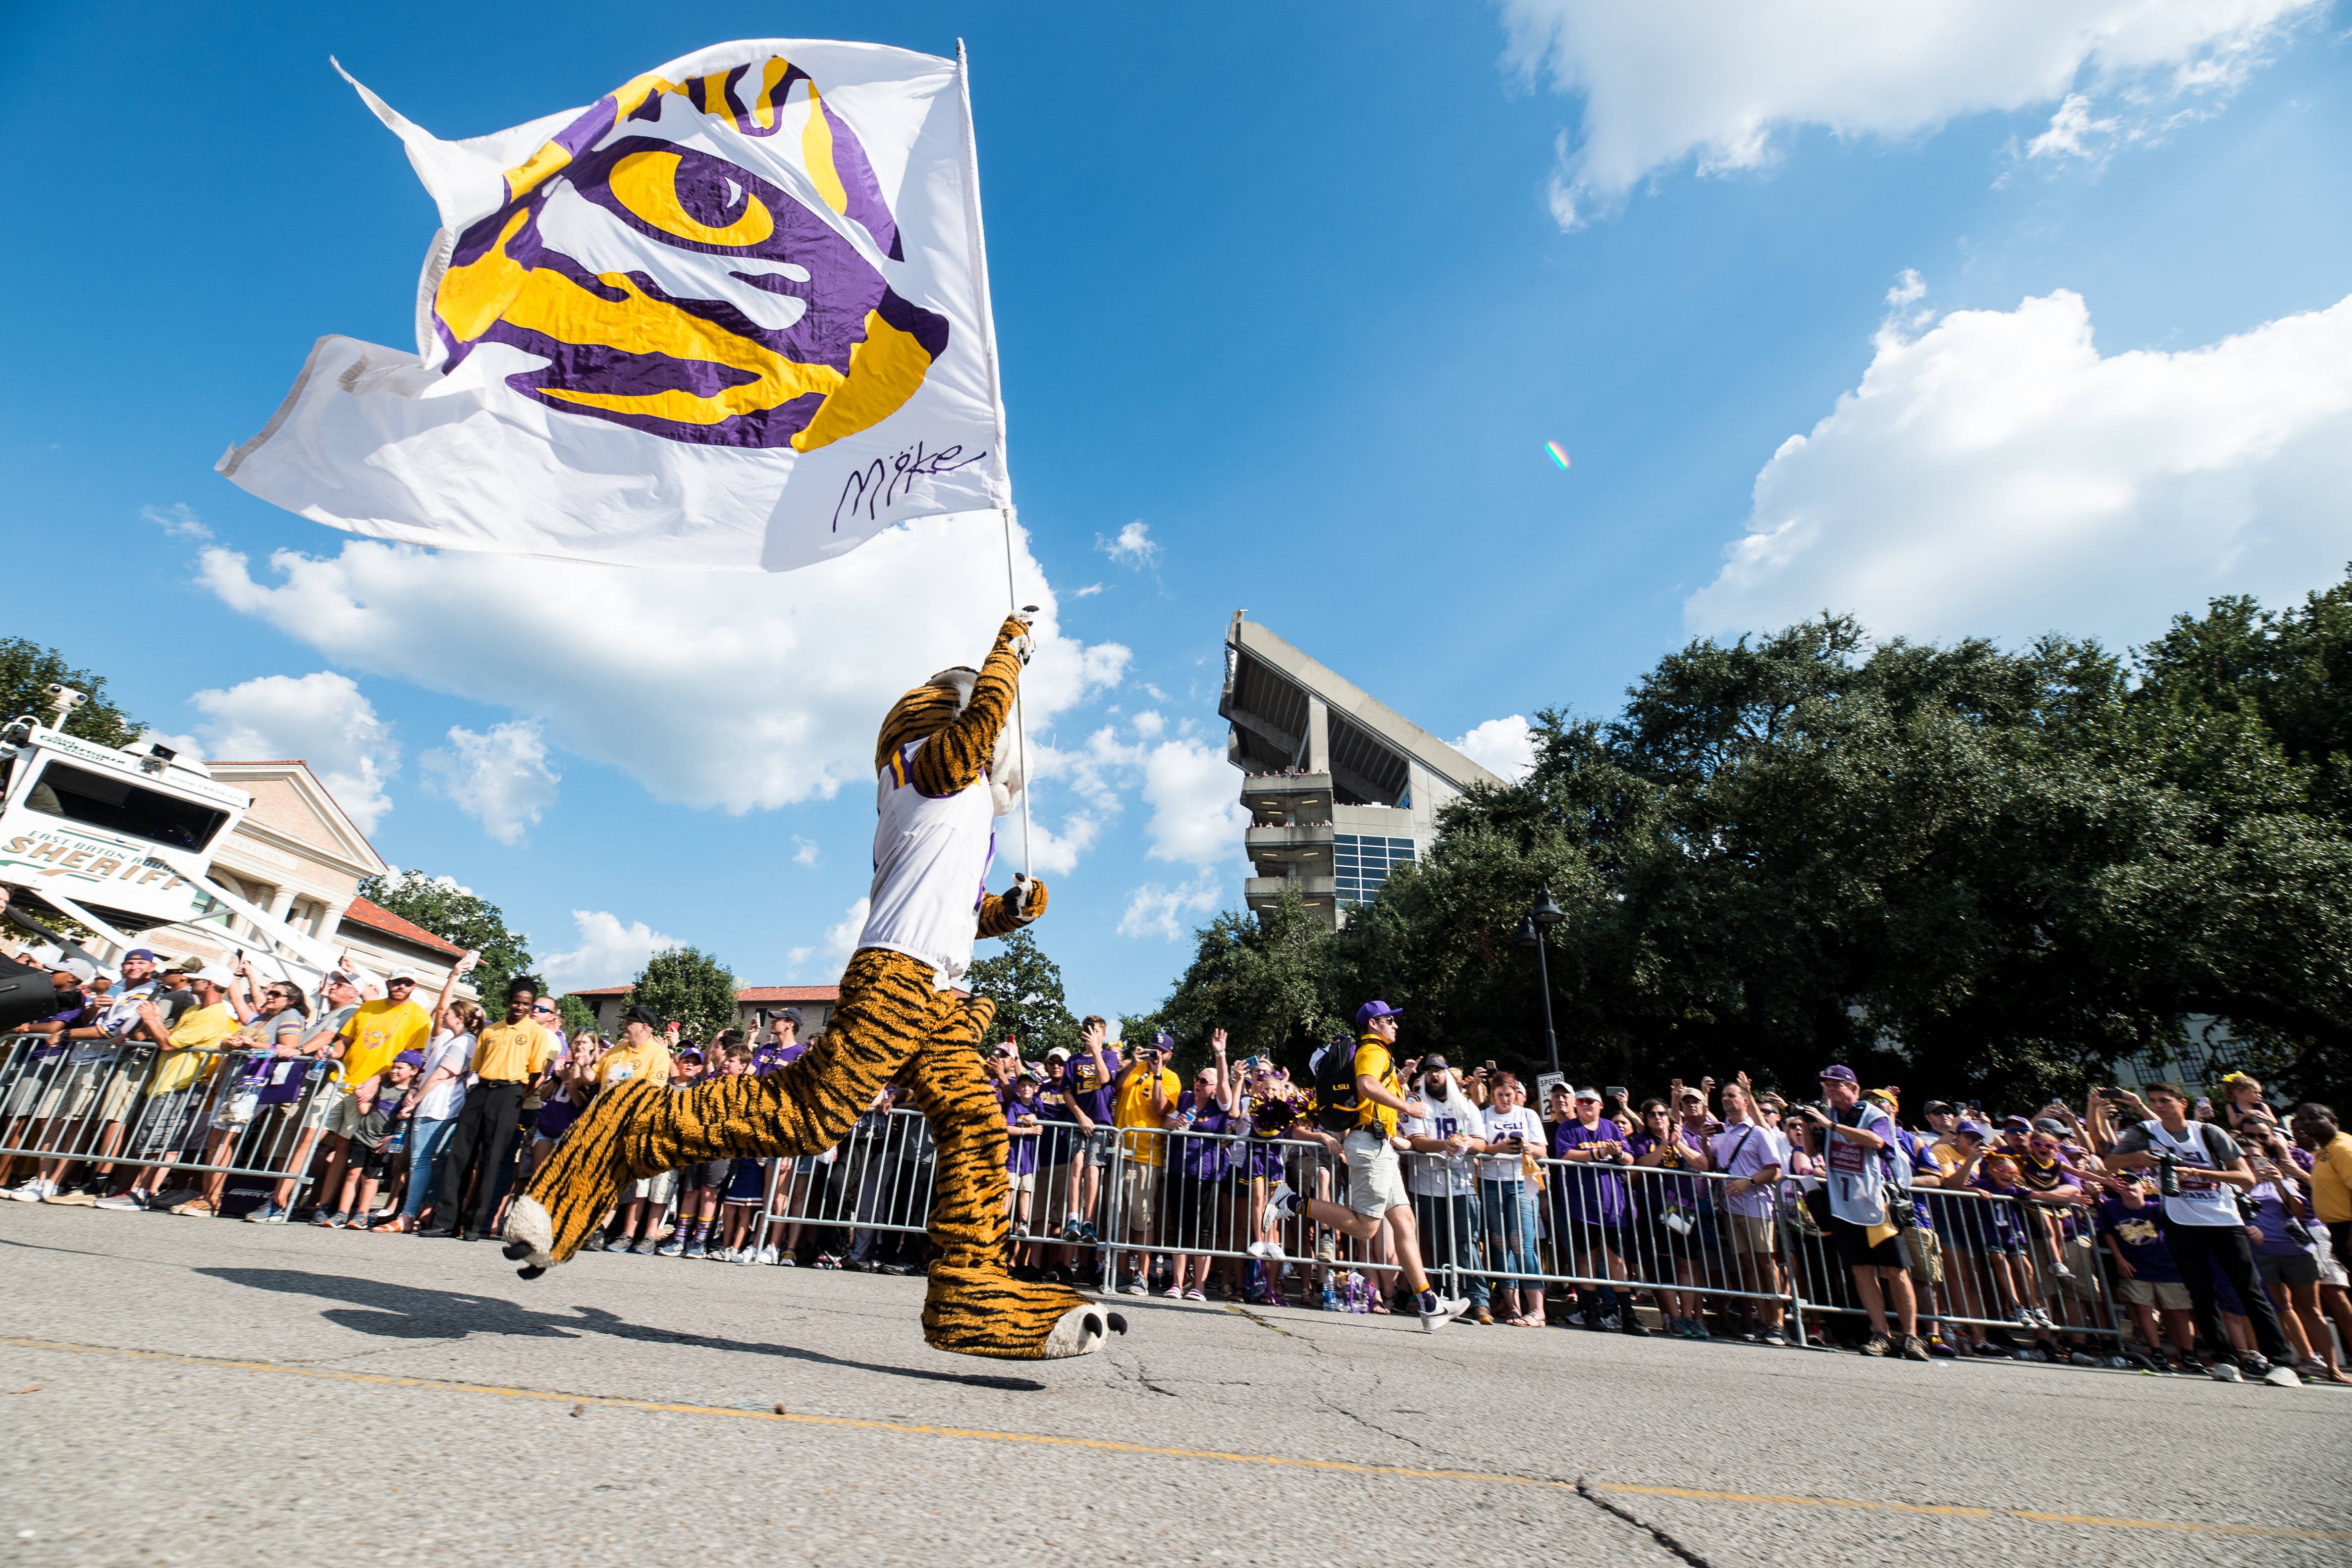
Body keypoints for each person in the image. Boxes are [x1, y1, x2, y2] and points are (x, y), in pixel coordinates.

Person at [506, 617, 1120, 1360]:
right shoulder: (926, 762)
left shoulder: (957, 807)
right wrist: (1008, 656)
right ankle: (626, 1126)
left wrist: (1007, 914)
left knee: (977, 1125)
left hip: (941, 991)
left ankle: (973, 1294)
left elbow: (956, 911)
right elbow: (975, 731)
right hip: (897, 976)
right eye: (980, 729)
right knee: (809, 1115)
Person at [1259, 1001, 1469, 1331]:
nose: (1395, 1025)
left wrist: (1402, 1083)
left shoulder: (1377, 1052)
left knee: (1405, 1224)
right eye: (1390, 1020)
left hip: (1379, 1145)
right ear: (1374, 1023)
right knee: (1365, 1228)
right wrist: (1408, 1109)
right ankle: (1290, 1201)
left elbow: (1374, 1089)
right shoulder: (1374, 1049)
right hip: (1370, 1146)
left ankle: (1430, 1305)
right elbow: (1366, 1086)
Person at [2104, 1082, 2299, 1385]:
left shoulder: (2209, 1133)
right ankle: (2224, 1360)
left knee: (2249, 1290)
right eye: (2154, 1101)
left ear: (2182, 1103)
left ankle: (2282, 1362)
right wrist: (2137, 1159)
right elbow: (2110, 1162)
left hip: (2224, 1221)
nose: (2159, 1106)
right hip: (2181, 1222)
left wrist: (2195, 1172)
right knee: (2200, 1292)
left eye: (2165, 1101)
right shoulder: (2145, 1131)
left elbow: (2245, 1178)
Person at [1799, 1065, 1928, 1360]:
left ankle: (1911, 1337)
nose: (1831, 1090)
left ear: (1854, 1088)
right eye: (1827, 1085)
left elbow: (1877, 1141)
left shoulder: (1874, 1114)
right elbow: (1809, 1150)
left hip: (1876, 1204)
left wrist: (1831, 1126)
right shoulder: (1827, 1115)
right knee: (1861, 1270)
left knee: (1896, 1270)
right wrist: (1808, 1123)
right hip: (1844, 1205)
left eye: (1837, 1085)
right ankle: (1881, 1334)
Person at [425, 969, 552, 1241]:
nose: (521, 1007)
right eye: (517, 1001)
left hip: (510, 1094)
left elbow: (535, 1075)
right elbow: (477, 1067)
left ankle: (474, 1224)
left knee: (492, 1159)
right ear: (509, 1001)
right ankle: (445, 1221)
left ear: (531, 1007)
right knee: (460, 1154)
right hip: (482, 1091)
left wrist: (516, 1095)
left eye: (527, 1004)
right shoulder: (490, 1030)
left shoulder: (536, 1033)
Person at [1551, 1086, 1647, 1335]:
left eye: (1590, 1101)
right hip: (1581, 1205)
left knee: (1616, 1260)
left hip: (1612, 1204)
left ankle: (1628, 1316)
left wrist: (1617, 1155)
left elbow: (1629, 1159)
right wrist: (1600, 1152)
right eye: (1581, 1101)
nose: (1585, 1105)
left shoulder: (1611, 1127)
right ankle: (1591, 1313)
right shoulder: (1568, 1128)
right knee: (1587, 1259)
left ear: (1600, 1105)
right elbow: (1566, 1154)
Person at [1399, 1055, 1487, 1322]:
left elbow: (1481, 1143)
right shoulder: (1417, 1104)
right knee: (1436, 1245)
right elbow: (1417, 1140)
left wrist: (1464, 1143)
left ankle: (1479, 1299)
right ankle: (1446, 1298)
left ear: (1448, 1076)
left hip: (1462, 1186)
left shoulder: (1466, 1105)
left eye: (1438, 1072)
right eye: (1429, 1072)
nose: (1433, 1076)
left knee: (1467, 1243)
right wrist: (1445, 1145)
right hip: (1428, 1185)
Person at [1709, 1079, 1789, 1346]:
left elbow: (1774, 1170)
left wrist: (1749, 1181)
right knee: (1748, 1266)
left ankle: (1777, 1324)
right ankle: (1763, 1321)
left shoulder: (1759, 1133)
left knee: (1767, 1264)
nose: (1726, 1099)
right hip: (1731, 1209)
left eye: (1732, 1095)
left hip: (1757, 1207)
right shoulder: (1720, 1133)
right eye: (1723, 1096)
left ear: (1745, 1101)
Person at [1164, 1036, 1233, 1300]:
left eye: (1204, 1081)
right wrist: (1176, 1122)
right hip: (1178, 1171)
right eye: (1197, 1078)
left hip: (1207, 1173)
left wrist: (1220, 1055)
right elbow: (1165, 1126)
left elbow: (1226, 1086)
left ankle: (1199, 1287)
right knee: (1180, 1227)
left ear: (1214, 1087)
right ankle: (1177, 1284)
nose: (1198, 1083)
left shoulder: (1219, 1105)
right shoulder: (1185, 1099)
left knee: (1203, 1230)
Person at [1111, 1032, 1179, 1296]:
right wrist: (1131, 1063)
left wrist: (1158, 1074)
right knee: (1119, 1217)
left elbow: (1161, 1109)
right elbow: (1114, 1088)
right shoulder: (1135, 1067)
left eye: (1161, 1051)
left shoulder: (1171, 1077)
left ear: (1170, 1055)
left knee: (1143, 1219)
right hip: (1118, 1150)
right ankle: (1119, 1273)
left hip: (1146, 1156)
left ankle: (1142, 1276)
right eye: (1153, 1049)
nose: (1155, 1054)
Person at [1473, 1073, 1544, 1327]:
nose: (1505, 1099)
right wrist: (1497, 1149)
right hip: (1492, 1182)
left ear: (1516, 1094)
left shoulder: (1528, 1115)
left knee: (1522, 1242)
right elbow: (1479, 1147)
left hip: (1522, 1182)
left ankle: (1537, 1310)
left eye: (1509, 1095)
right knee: (1499, 1242)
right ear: (1492, 1095)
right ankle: (1512, 1306)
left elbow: (1542, 1149)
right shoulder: (1483, 1116)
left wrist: (1527, 1147)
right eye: (1500, 1095)